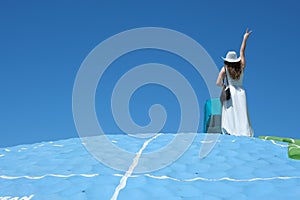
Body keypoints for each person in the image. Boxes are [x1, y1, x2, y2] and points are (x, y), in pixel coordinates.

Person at [216, 28, 254, 137]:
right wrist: (245, 38)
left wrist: (224, 86)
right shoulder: (242, 66)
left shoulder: (225, 68)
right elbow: (242, 51)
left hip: (231, 90)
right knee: (242, 113)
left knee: (231, 113)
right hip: (241, 91)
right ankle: (244, 132)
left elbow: (218, 82)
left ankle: (230, 131)